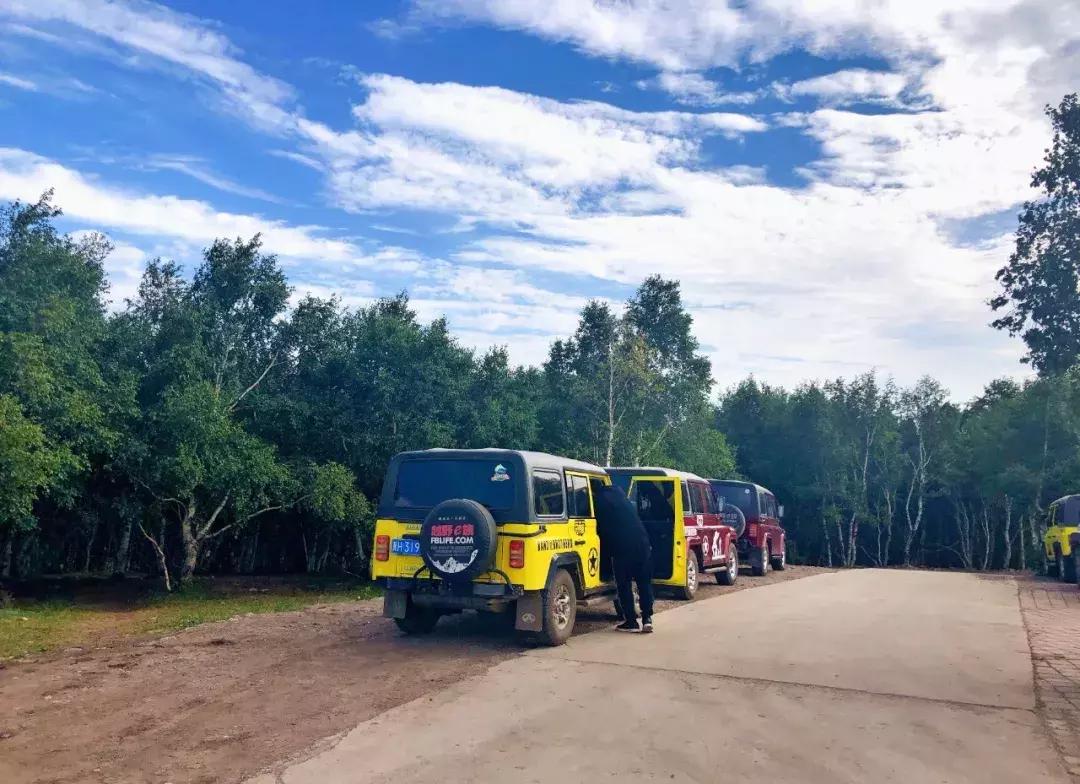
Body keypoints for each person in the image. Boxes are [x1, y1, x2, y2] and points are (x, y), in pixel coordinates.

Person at [593, 482, 655, 633]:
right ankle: (647, 619)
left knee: (624, 585)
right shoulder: (620, 495)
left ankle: (631, 621)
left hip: (622, 548)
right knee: (644, 583)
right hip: (642, 544)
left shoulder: (599, 501)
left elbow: (600, 527)